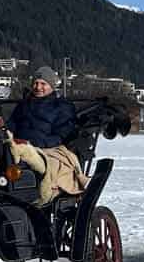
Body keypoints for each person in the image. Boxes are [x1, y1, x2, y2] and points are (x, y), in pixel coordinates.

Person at [6, 66, 86, 204]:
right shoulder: (23, 105)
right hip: (19, 144)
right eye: (36, 83)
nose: (38, 87)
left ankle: (41, 195)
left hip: (46, 148)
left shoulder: (62, 107)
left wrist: (39, 144)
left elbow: (61, 135)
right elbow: (11, 125)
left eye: (43, 84)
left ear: (52, 86)